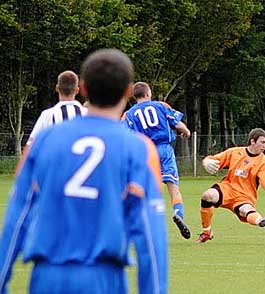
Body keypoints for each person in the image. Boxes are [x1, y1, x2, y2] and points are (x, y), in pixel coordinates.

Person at [0, 49, 168, 294]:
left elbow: (17, 218)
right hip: (103, 279)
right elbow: (150, 237)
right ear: (128, 92)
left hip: (47, 279)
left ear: (85, 89)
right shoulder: (137, 148)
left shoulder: (46, 140)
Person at [196, 128, 265, 243]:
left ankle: (261, 221)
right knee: (207, 195)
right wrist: (206, 161)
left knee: (246, 210)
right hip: (228, 189)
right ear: (252, 141)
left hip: (245, 196)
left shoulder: (263, 163)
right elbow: (215, 159)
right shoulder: (235, 152)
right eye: (262, 142)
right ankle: (206, 232)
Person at [123, 82, 191, 240]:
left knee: (147, 190)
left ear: (134, 96)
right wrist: (186, 131)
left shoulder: (129, 114)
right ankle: (178, 213)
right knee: (173, 187)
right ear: (148, 94)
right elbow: (177, 123)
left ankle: (144, 224)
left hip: (146, 152)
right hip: (164, 149)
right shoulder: (161, 105)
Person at [26, 70, 87, 145]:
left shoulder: (48, 115)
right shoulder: (88, 114)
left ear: (57, 88)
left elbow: (31, 144)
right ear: (77, 90)